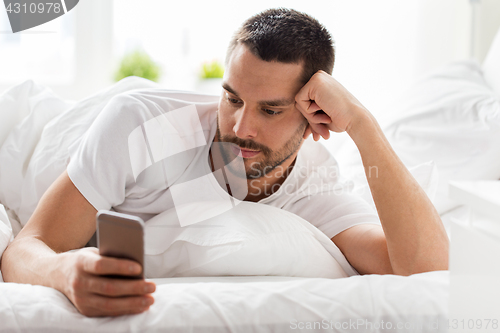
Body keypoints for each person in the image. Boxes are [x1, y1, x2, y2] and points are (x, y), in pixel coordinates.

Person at [0, 8, 449, 317]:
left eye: (270, 110)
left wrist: (364, 125)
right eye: (232, 97)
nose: (240, 126)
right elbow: (25, 248)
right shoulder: (139, 123)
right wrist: (62, 271)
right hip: (45, 149)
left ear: (316, 116)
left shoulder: (315, 184)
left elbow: (423, 270)